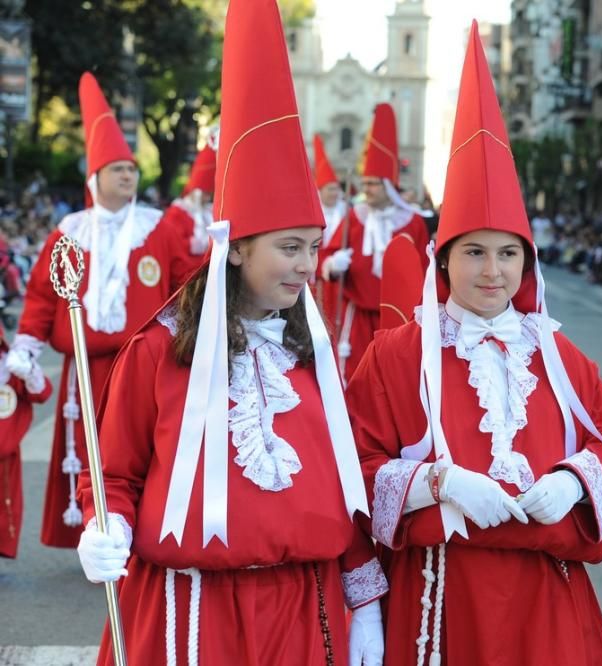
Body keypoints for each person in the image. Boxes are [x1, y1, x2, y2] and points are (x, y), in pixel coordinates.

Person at [74, 2, 387, 664]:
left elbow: (348, 482)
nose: (307, 265)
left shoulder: (315, 359)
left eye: (313, 247)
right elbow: (116, 471)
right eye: (290, 247)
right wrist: (106, 526)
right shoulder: (158, 351)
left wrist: (364, 604)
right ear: (237, 248)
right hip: (188, 612)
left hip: (306, 609)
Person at [346, 24, 602, 665]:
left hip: (547, 600)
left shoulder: (560, 357)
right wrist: (436, 482)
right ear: (443, 261)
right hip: (436, 599)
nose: (492, 271)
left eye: (509, 254)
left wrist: (574, 481)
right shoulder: (398, 354)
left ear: (527, 264)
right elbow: (351, 473)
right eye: (474, 253)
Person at [3, 72, 194, 549]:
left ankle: (142, 530)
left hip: (145, 364)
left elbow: (183, 286)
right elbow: (43, 297)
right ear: (95, 179)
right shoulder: (67, 234)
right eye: (118, 169)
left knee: (139, 450)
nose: (128, 176)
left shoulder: (159, 229)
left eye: (131, 169)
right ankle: (92, 536)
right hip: (83, 369)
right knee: (88, 450)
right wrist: (25, 347)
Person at [319, 103, 430, 380]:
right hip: (357, 312)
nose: (365, 189)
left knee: (393, 375)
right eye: (365, 183)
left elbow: (425, 267)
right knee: (354, 374)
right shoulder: (354, 217)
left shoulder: (412, 222)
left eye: (372, 184)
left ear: (388, 186)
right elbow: (325, 256)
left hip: (398, 314)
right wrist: (333, 263)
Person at [0, 327, 52, 558]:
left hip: (6, 451)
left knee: (6, 506)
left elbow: (42, 392)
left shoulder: (10, 368)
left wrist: (28, 370)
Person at [160, 128, 218, 257]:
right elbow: (174, 246)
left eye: (209, 193)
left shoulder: (209, 212)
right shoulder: (177, 213)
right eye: (205, 192)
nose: (207, 197)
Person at [312, 133, 349, 331]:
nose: (334, 193)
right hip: (315, 275)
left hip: (337, 279)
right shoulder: (313, 213)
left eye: (336, 189)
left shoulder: (346, 213)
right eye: (330, 189)